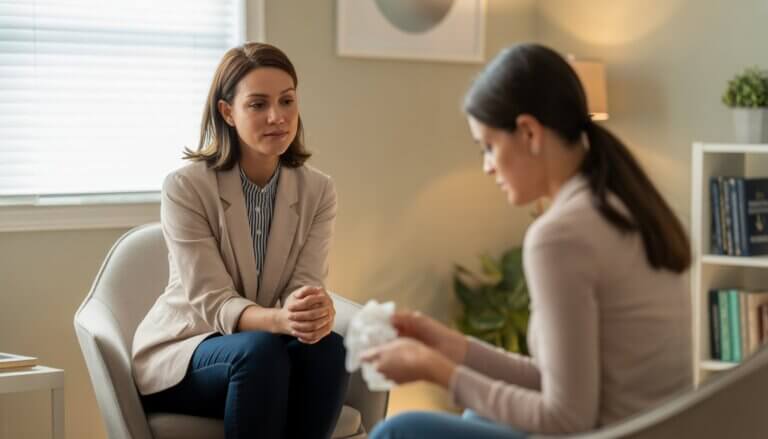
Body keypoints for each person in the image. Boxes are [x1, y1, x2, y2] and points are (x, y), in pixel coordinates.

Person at [362, 43, 692, 439]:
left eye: (488, 146)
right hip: (660, 427)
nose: (487, 166)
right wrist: (450, 347)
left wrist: (437, 372)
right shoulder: (621, 203)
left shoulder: (560, 237)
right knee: (478, 418)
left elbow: (566, 418)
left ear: (529, 132)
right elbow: (557, 382)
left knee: (398, 431)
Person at [131, 42, 349, 439]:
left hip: (266, 352)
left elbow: (304, 283)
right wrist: (282, 320)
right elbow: (213, 301)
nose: (277, 117)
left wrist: (310, 310)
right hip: (188, 352)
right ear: (227, 111)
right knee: (260, 353)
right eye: (258, 104)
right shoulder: (185, 187)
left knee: (329, 347)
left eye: (287, 101)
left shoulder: (319, 190)